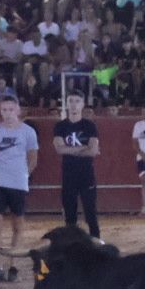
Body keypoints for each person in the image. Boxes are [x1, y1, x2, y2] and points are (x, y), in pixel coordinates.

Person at [0, 97, 41, 282]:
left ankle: (13, 265)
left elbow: (33, 158)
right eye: (4, 110)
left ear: (17, 110)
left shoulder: (28, 132)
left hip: (17, 182)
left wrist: (24, 174)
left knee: (18, 225)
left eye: (10, 109)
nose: (7, 113)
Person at [54, 91, 102, 238]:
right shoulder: (60, 126)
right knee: (70, 213)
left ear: (82, 104)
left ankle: (96, 242)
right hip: (68, 174)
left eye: (77, 101)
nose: (74, 104)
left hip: (86, 173)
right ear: (67, 104)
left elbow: (93, 151)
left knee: (90, 212)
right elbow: (59, 149)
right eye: (71, 101)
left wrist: (70, 150)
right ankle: (71, 245)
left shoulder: (90, 125)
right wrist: (83, 148)